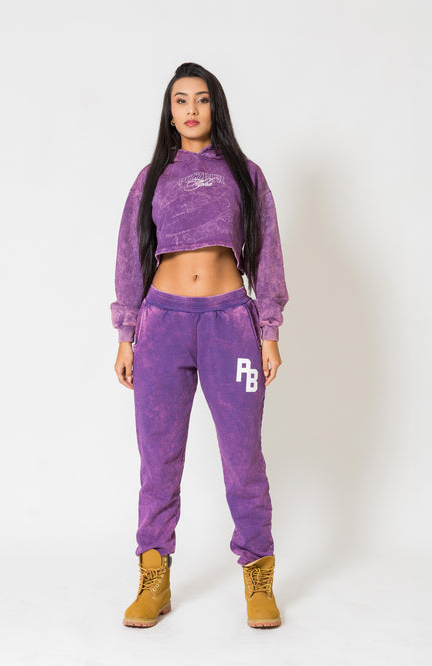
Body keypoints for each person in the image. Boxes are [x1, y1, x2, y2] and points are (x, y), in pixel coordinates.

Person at [110, 62, 289, 629]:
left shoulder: (245, 174)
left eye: (202, 99)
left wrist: (269, 331)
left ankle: (258, 577)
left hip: (231, 326)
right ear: (169, 113)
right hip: (161, 326)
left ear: (216, 107)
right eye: (181, 100)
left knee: (243, 456)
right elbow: (130, 255)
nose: (191, 109)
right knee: (158, 459)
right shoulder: (151, 178)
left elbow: (267, 254)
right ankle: (154, 578)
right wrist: (126, 335)